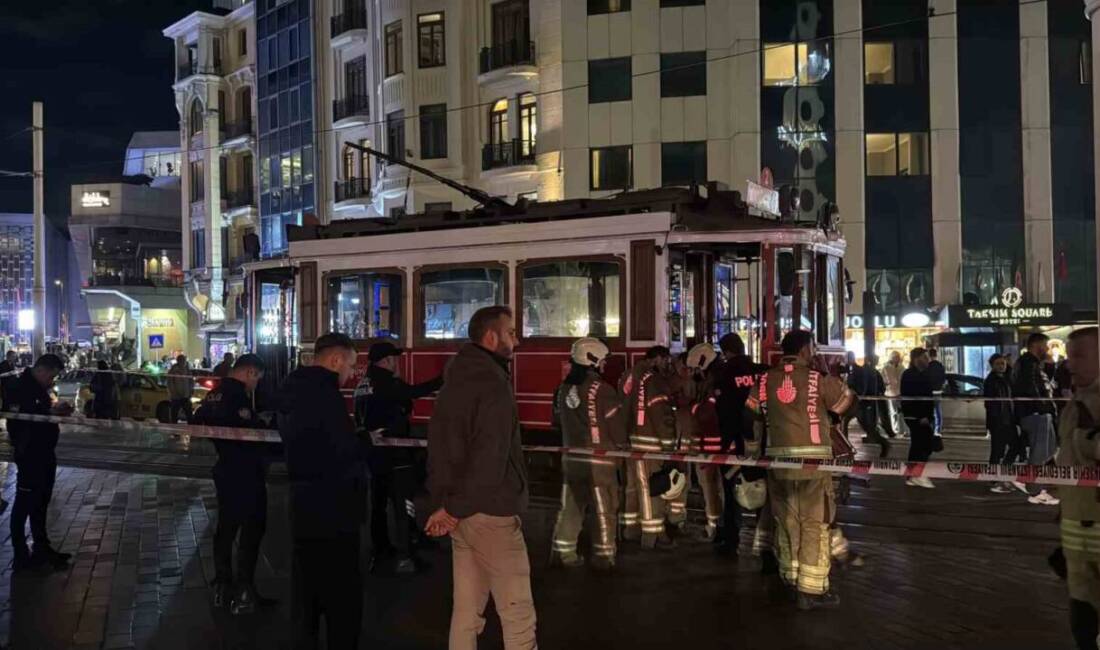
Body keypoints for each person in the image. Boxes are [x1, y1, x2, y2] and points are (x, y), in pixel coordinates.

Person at [424, 305, 538, 650]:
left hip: (460, 514)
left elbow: (440, 449)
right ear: (491, 337)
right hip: (490, 512)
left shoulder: (456, 379)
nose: (517, 340)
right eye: (511, 333)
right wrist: (454, 508)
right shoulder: (494, 385)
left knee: (466, 613)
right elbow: (490, 461)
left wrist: (446, 507)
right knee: (518, 614)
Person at [749, 330, 855, 610]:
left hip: (777, 463)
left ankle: (790, 577)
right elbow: (846, 402)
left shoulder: (764, 380)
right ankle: (811, 590)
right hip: (813, 464)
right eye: (813, 347)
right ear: (805, 350)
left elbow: (751, 411)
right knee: (814, 524)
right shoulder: (816, 378)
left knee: (787, 521)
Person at [278, 333, 369, 648]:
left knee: (307, 592)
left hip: (303, 503)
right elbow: (341, 450)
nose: (351, 374)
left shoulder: (292, 389)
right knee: (342, 595)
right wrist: (364, 441)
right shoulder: (325, 394)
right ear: (335, 360)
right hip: (335, 507)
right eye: (351, 366)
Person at [192, 354, 275, 614]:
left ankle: (222, 584)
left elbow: (196, 421)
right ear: (250, 373)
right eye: (257, 379)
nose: (255, 385)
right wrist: (264, 424)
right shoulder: (237, 396)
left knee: (226, 529)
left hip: (224, 469)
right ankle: (244, 591)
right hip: (246, 472)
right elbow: (252, 431)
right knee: (252, 530)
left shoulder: (213, 394)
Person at [355, 340, 444, 575]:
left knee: (378, 505)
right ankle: (406, 555)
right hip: (396, 456)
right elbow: (413, 393)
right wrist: (443, 379)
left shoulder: (363, 383)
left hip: (374, 455)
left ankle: (381, 549)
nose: (397, 362)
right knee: (404, 504)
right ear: (386, 361)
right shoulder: (387, 383)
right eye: (394, 358)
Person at [549, 337, 627, 570]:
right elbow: (616, 428)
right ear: (591, 359)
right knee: (604, 510)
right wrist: (622, 447)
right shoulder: (603, 390)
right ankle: (603, 556)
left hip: (571, 458)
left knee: (571, 508)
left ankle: (563, 553)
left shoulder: (562, 390)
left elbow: (556, 422)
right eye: (602, 360)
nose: (604, 364)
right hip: (599, 461)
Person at [1053, 327, 1100, 649]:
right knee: (1082, 612)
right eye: (1070, 356)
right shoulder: (1076, 402)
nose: (1070, 363)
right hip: (1075, 525)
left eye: (1080, 355)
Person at [8, 354, 74, 570]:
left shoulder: (38, 388)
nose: (51, 381)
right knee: (23, 504)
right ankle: (21, 556)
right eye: (51, 376)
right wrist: (49, 412)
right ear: (42, 370)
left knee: (41, 502)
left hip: (45, 453)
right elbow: (21, 418)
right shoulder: (19, 387)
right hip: (30, 455)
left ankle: (42, 548)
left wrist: (54, 410)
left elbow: (41, 412)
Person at [618, 345, 679, 550]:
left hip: (631, 440)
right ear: (657, 359)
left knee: (632, 487)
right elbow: (661, 413)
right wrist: (669, 444)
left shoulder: (628, 375)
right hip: (650, 442)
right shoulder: (653, 380)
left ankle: (630, 529)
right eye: (666, 360)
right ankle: (653, 535)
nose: (668, 364)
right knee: (650, 489)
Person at [714, 332, 768, 559]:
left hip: (732, 443)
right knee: (763, 494)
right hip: (759, 444)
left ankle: (731, 542)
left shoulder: (723, 373)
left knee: (732, 493)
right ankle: (766, 550)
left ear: (726, 352)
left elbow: (719, 408)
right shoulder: (761, 372)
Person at [1013, 332, 1060, 506]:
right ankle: (1035, 489)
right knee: (1040, 452)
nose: (1047, 349)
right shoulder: (1028, 363)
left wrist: (1050, 364)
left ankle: (1026, 480)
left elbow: (1045, 384)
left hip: (1039, 412)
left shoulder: (1033, 364)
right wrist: (1042, 407)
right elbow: (1031, 388)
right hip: (1036, 413)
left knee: (1049, 448)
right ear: (1036, 345)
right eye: (1045, 345)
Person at [984, 354, 1025, 494]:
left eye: (1003, 363)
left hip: (1009, 419)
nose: (1001, 366)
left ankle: (1003, 471)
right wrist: (995, 420)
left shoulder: (1008, 378)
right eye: (998, 363)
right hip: (998, 421)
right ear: (992, 366)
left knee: (1016, 446)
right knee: (997, 450)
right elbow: (990, 404)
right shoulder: (991, 381)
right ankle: (994, 480)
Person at [900, 348, 936, 489]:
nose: (927, 360)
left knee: (919, 444)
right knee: (923, 444)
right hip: (916, 416)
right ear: (916, 359)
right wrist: (921, 416)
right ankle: (917, 474)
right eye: (924, 357)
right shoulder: (910, 375)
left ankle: (913, 475)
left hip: (923, 416)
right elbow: (911, 398)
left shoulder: (924, 374)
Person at [846, 354, 890, 458]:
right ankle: (846, 448)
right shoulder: (864, 370)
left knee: (867, 427)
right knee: (864, 426)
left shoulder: (861, 370)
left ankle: (883, 443)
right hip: (861, 402)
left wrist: (861, 397)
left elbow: (861, 386)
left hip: (861, 402)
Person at [882, 351, 907, 438]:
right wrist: (887, 385)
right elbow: (884, 380)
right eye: (896, 357)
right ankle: (895, 429)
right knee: (893, 413)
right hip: (890, 393)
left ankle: (902, 429)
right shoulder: (886, 368)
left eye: (898, 357)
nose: (898, 359)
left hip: (900, 392)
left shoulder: (902, 367)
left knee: (901, 412)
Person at [167, 354, 194, 423]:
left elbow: (191, 381)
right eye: (182, 360)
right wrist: (174, 393)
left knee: (189, 413)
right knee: (174, 414)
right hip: (176, 397)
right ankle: (174, 427)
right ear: (178, 361)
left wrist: (191, 391)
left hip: (186, 396)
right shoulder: (173, 370)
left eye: (184, 360)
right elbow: (170, 383)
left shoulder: (187, 370)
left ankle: (191, 427)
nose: (184, 362)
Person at [926, 349, 947, 434]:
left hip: (930, 391)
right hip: (938, 391)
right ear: (936, 355)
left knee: (930, 411)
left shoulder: (928, 366)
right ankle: (938, 430)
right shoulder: (940, 366)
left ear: (929, 356)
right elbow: (944, 379)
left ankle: (932, 429)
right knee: (938, 411)